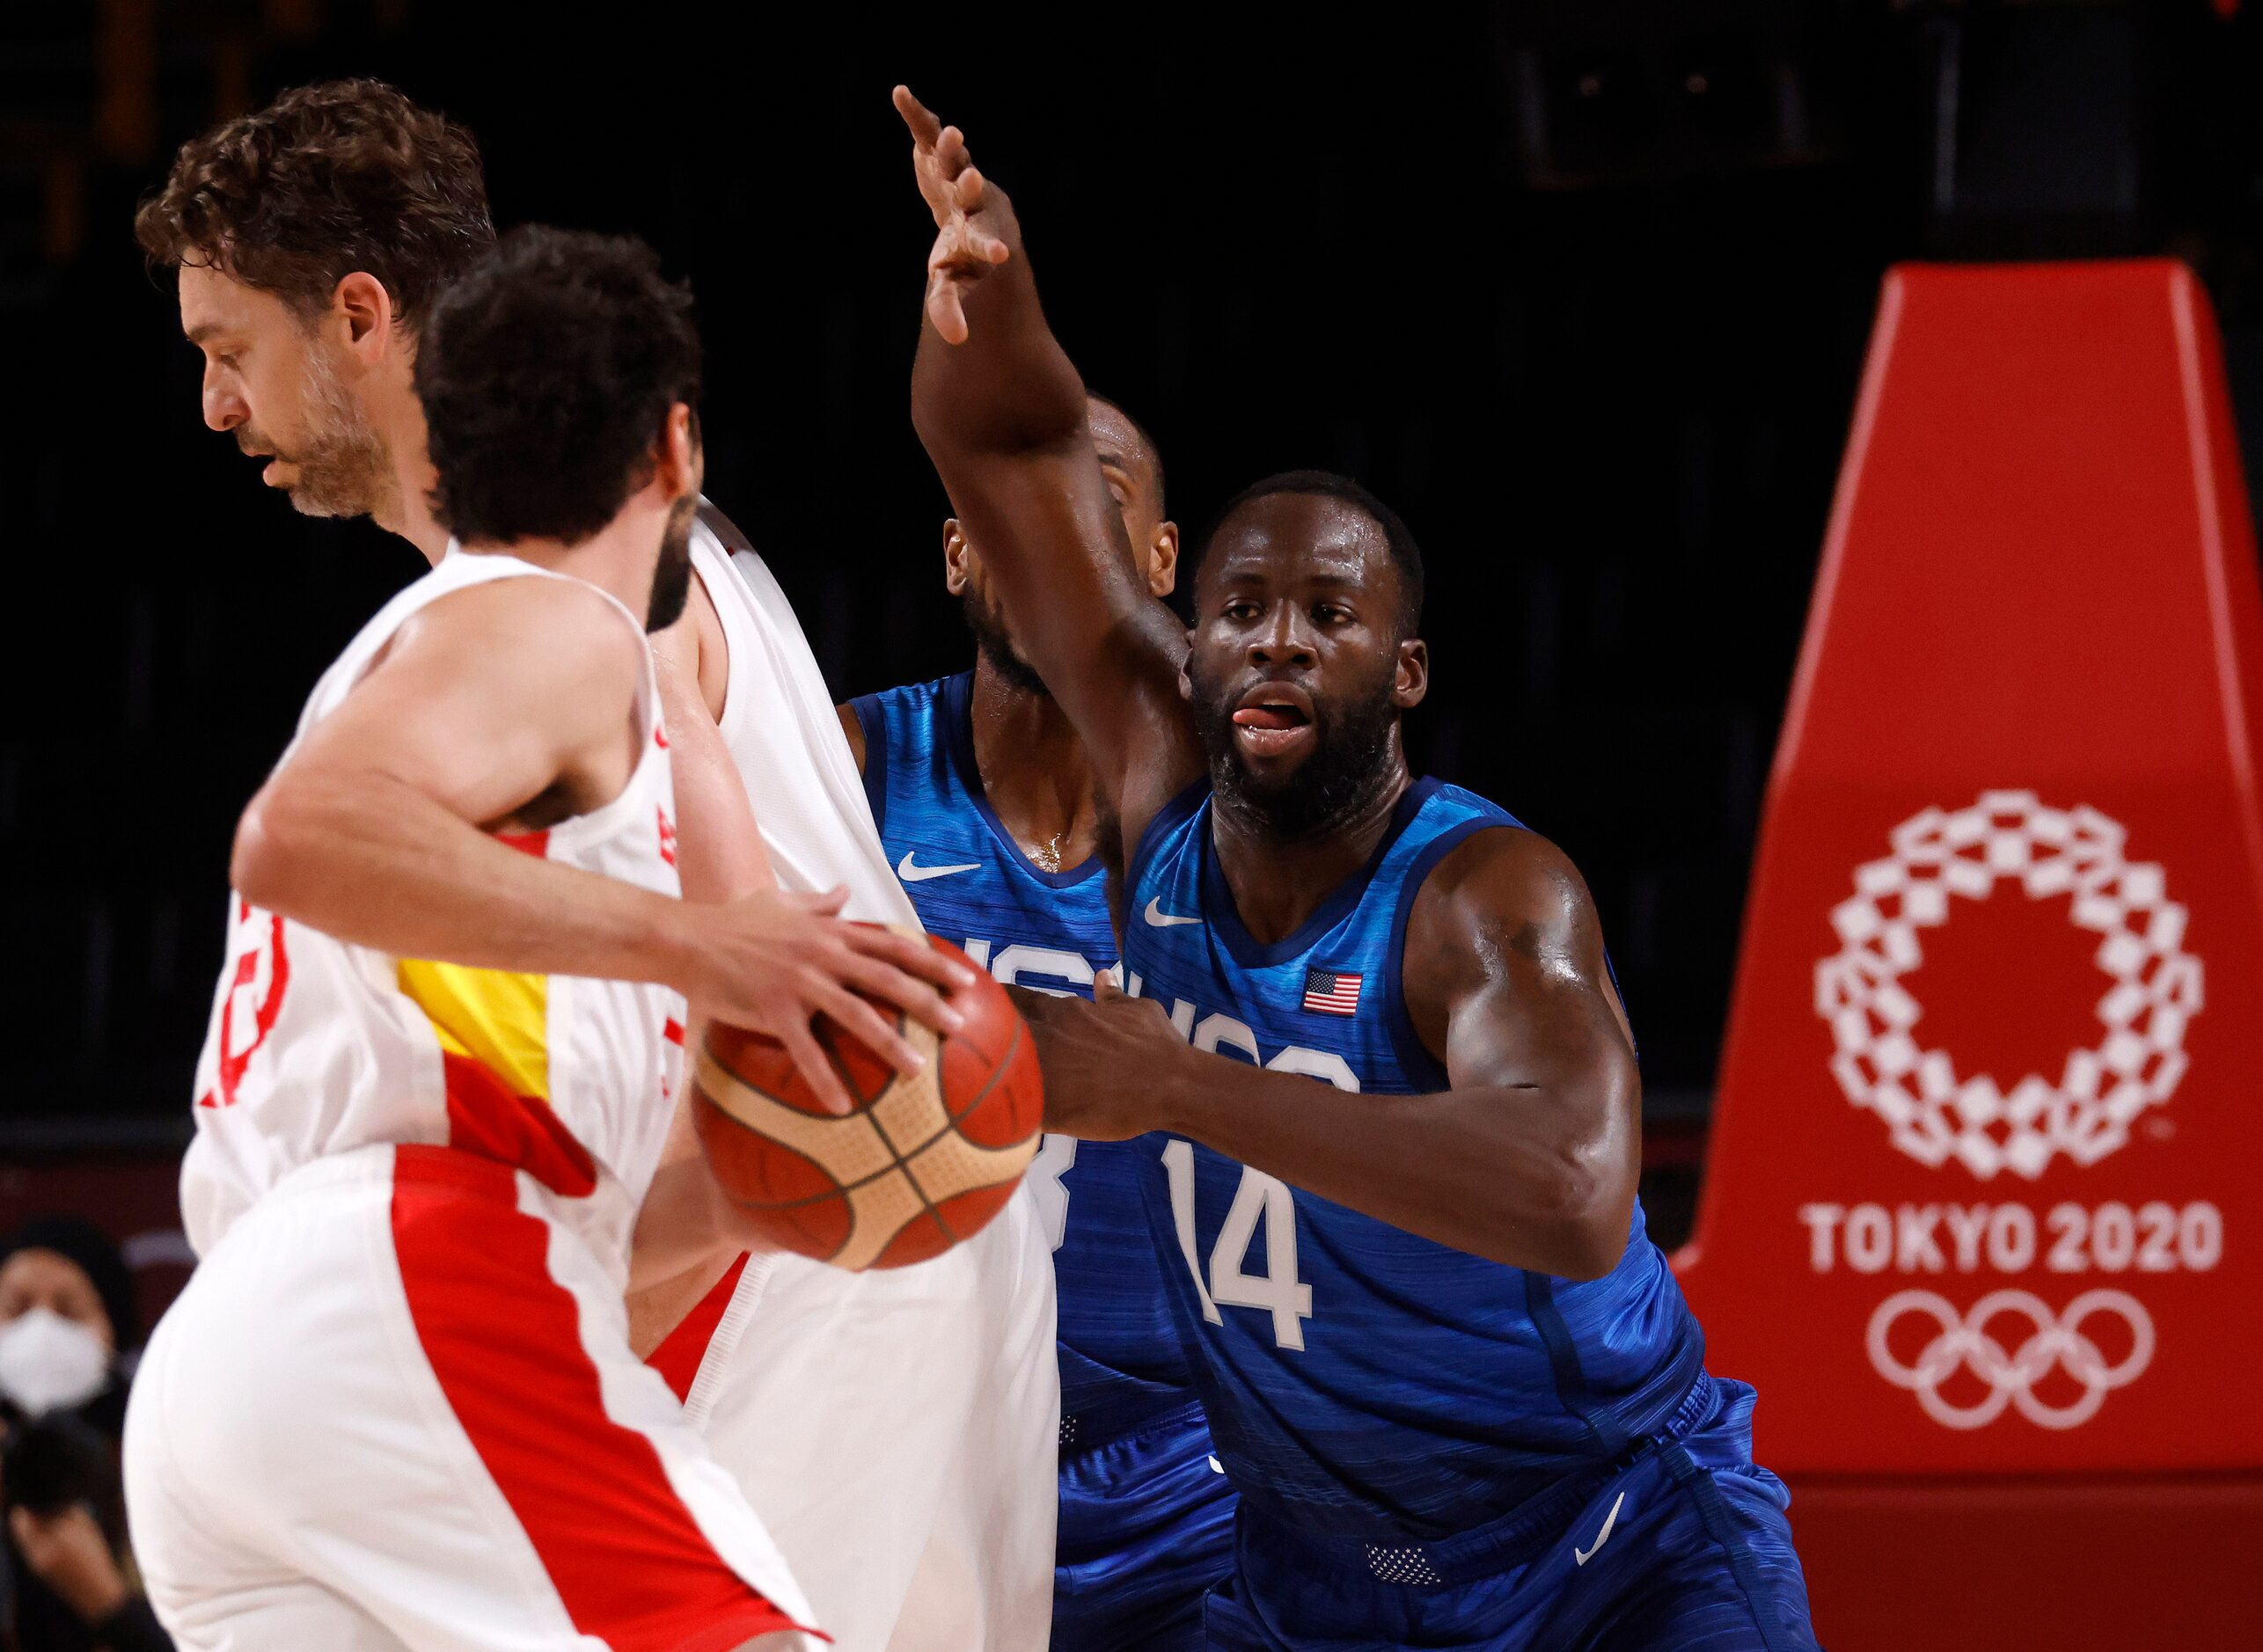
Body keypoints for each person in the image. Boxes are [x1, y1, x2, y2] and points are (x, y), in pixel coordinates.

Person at [136, 79, 1058, 1652]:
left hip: (788, 1266)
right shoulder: (647, 567)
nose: (219, 409)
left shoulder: (572, 612)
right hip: (796, 1229)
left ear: (359, 315)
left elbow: (744, 968)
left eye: (229, 349)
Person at [895, 87, 1821, 1651]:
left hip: (1604, 1544)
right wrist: (992, 292)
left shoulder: (1483, 893)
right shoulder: (1161, 789)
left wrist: (1181, 1085)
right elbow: (1013, 448)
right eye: (1243, 605)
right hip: (1306, 1574)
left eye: (1329, 614)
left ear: (1401, 675)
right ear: (1189, 643)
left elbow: (1575, 1189)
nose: (1276, 635)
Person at [833, 398, 1238, 1648]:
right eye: (1002, 506)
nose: (1045, 534)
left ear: (1160, 559)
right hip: (908, 1444)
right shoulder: (850, 767)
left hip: (1195, 1473)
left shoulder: (1252, 816)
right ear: (957, 552)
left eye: (1090, 496)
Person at [0, 1218, 172, 1652]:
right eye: (17, 1309)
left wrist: (109, 1604)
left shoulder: (161, 1467)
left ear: (112, 1332)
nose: (41, 1329)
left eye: (69, 1311)